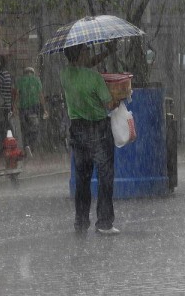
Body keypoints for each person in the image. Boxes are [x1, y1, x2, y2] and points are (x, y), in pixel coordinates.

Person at [60, 42, 121, 235]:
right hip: (98, 129)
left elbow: (84, 67)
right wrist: (119, 97)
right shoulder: (95, 78)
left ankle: (81, 221)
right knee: (105, 176)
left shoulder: (65, 75)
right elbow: (109, 104)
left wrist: (104, 53)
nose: (89, 52)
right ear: (79, 54)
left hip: (77, 130)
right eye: (86, 50)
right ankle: (104, 222)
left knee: (82, 178)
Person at [15, 67, 48, 157]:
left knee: (24, 128)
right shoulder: (36, 80)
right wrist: (44, 108)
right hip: (34, 107)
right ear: (32, 73)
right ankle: (32, 146)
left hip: (23, 108)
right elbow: (40, 95)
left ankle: (26, 145)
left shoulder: (20, 81)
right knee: (34, 128)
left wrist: (14, 107)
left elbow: (17, 95)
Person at [0, 58, 15, 155]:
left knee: (1, 127)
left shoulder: (1, 75)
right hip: (7, 103)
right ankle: (10, 143)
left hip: (2, 105)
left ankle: (4, 146)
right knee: (6, 125)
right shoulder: (8, 74)